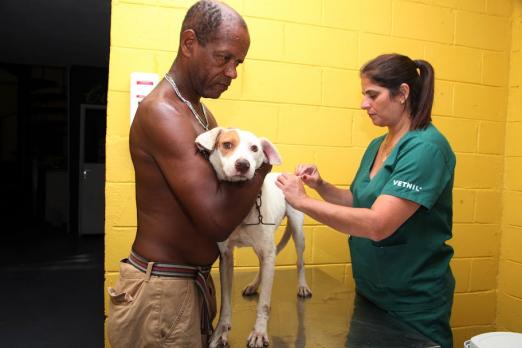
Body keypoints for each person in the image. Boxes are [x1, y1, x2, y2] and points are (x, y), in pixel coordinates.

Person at [106, 1, 271, 347]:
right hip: (162, 292)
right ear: (189, 43)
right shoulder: (163, 112)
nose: (232, 73)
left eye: (238, 63)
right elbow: (215, 219)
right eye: (223, 58)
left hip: (187, 285)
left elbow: (224, 195)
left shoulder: (201, 114)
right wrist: (261, 165)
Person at [276, 53, 456, 348]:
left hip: (412, 303)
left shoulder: (426, 148)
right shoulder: (378, 144)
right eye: (364, 95)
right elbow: (358, 201)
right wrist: (321, 185)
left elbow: (377, 224)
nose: (363, 104)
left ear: (402, 94)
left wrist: (303, 202)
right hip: (371, 291)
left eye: (372, 95)